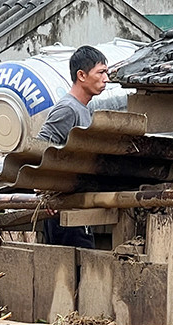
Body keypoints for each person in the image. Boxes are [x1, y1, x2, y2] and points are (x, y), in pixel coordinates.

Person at [36, 46, 109, 248]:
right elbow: (39, 149)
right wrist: (46, 193)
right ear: (81, 75)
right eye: (101, 72)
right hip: (62, 210)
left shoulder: (84, 109)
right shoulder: (68, 109)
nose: (106, 79)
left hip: (77, 206)